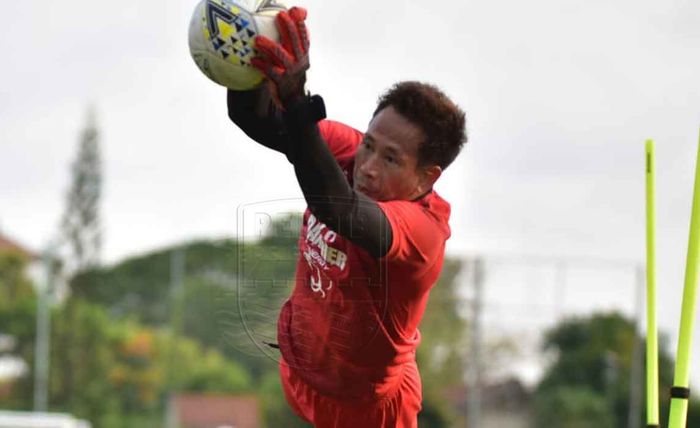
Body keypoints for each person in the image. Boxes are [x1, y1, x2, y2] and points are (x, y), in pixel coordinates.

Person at [227, 7, 467, 427]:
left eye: (391, 159)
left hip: (370, 409)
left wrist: (297, 101)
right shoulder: (350, 152)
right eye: (369, 144)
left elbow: (338, 209)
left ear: (427, 177)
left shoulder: (422, 232)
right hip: (307, 374)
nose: (368, 166)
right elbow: (255, 119)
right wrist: (249, 59)